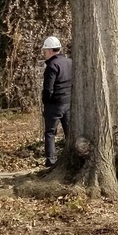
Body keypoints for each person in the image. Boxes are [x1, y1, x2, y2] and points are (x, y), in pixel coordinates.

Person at [40, 36, 72, 166]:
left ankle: (50, 160)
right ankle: (71, 157)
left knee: (50, 133)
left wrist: (45, 102)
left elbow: (48, 89)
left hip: (54, 104)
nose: (44, 54)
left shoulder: (52, 65)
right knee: (69, 132)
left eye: (45, 51)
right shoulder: (70, 62)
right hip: (68, 101)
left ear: (49, 50)